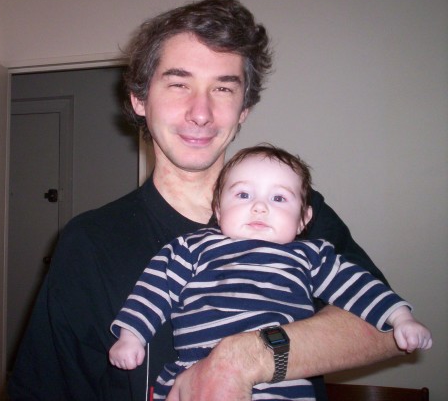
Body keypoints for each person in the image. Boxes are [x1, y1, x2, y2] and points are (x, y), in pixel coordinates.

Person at [8, 0, 405, 401]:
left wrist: (243, 360)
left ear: (244, 109)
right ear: (139, 100)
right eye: (179, 84)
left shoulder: (294, 211)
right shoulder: (90, 241)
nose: (201, 113)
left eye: (223, 88)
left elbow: (387, 327)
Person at [109, 144, 432, 400]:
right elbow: (155, 288)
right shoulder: (192, 247)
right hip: (190, 373)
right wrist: (132, 335)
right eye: (243, 194)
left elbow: (358, 286)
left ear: (304, 219)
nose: (259, 206)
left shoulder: (311, 255)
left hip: (284, 382)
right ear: (218, 209)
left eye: (278, 198)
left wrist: (400, 317)